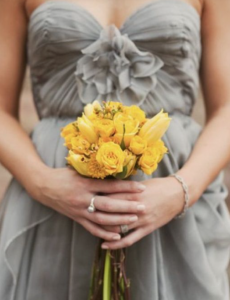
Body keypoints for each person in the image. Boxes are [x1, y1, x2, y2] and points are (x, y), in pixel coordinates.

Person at [0, 0, 230, 299]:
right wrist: (42, 183)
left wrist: (181, 190)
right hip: (52, 205)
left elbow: (227, 108)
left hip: (176, 207)